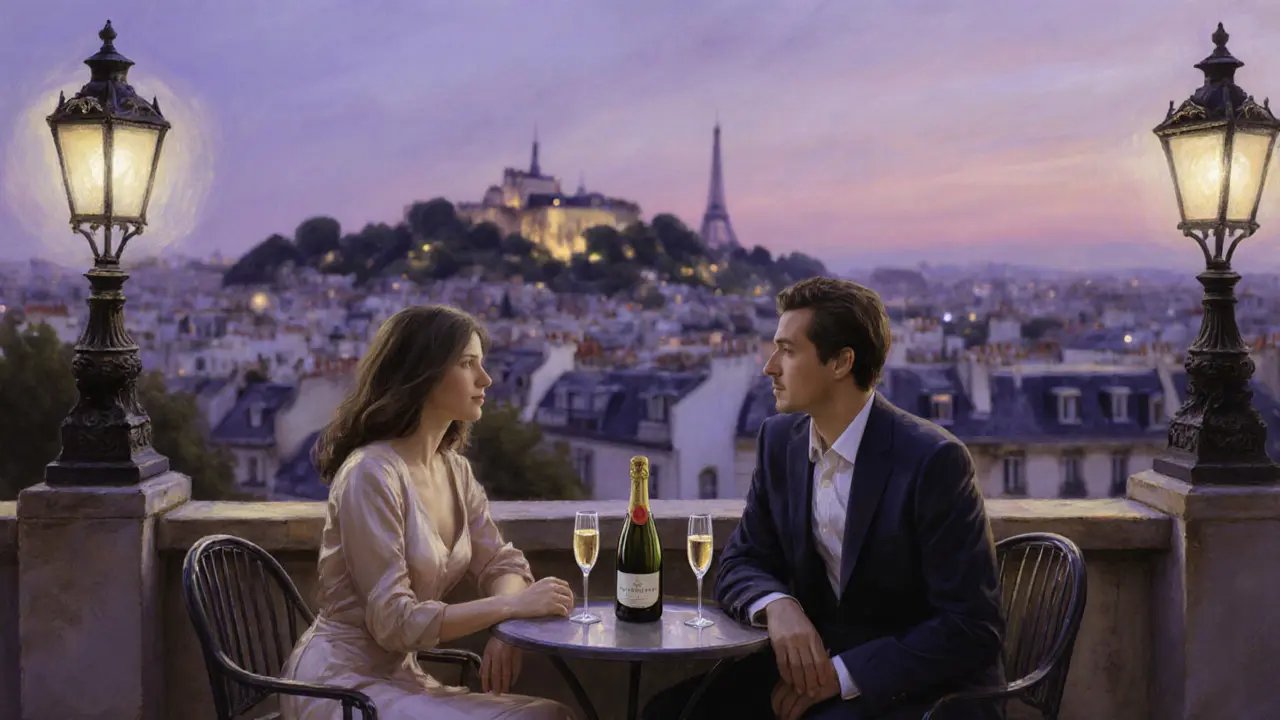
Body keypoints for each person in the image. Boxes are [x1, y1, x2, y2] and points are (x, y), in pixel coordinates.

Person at [644, 278, 1005, 720]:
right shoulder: (779, 442)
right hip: (814, 670)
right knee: (667, 712)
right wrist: (779, 606)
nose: (769, 367)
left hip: (919, 691)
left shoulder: (934, 461)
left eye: (788, 351)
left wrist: (842, 675)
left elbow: (970, 629)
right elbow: (741, 561)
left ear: (840, 362)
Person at [281, 305, 577, 720]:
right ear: (423, 374)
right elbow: (394, 623)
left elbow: (499, 561)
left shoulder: (453, 469)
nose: (485, 379)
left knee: (557, 715)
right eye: (466, 364)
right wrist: (511, 609)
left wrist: (507, 623)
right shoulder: (370, 474)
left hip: (402, 682)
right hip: (341, 689)